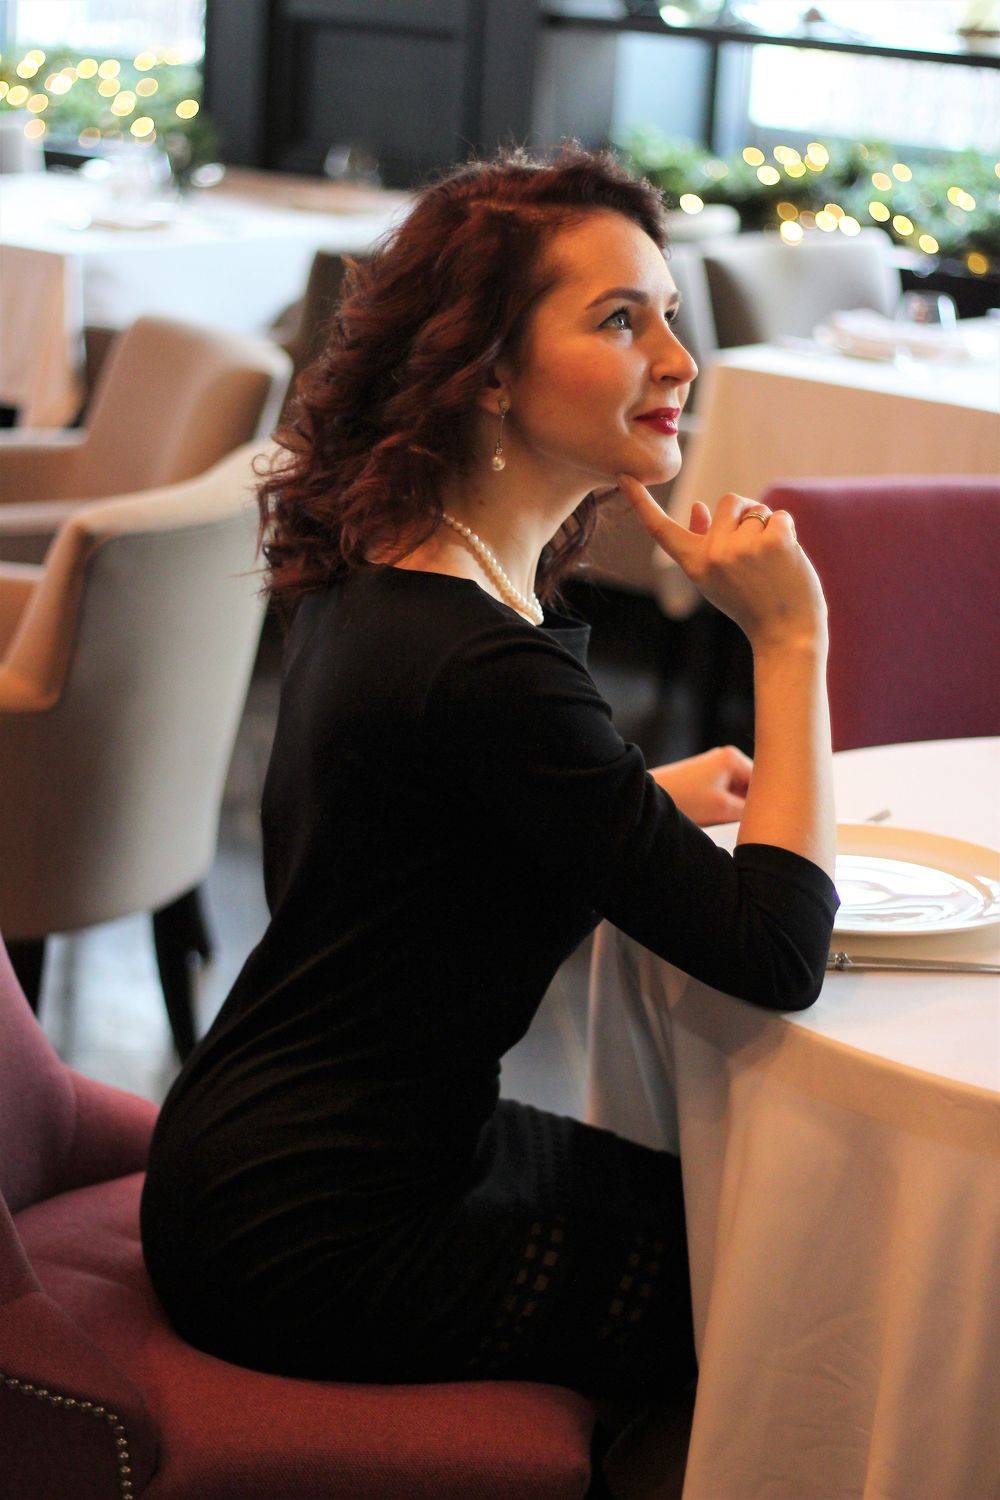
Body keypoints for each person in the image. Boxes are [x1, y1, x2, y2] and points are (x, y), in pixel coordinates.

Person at [140, 141, 839, 1477]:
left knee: (742, 1216)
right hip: (328, 1231)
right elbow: (776, 952)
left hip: (276, 1158)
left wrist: (636, 801)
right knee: (786, 1283)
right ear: (490, 371)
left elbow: (411, 846)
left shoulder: (388, 576)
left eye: (671, 316)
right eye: (619, 321)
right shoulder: (482, 666)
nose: (678, 362)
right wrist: (790, 641)